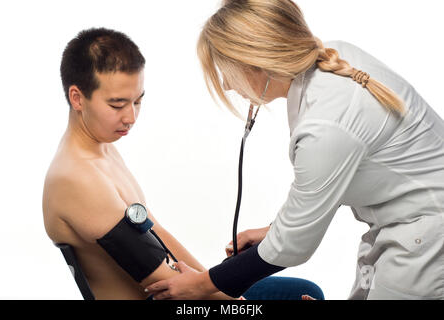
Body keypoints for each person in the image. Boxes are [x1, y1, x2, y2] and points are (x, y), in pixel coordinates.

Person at [145, 0, 444, 300]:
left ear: (255, 63)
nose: (226, 86)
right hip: (408, 226)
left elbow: (292, 246)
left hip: (425, 238)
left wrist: (202, 285)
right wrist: (274, 230)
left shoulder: (324, 126)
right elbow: (346, 173)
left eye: (227, 72)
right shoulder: (335, 57)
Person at [42, 27, 323, 300]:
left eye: (137, 102)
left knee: (305, 293)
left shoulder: (102, 149)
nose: (130, 117)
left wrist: (213, 282)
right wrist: (236, 305)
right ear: (77, 98)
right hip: (163, 294)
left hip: (177, 291)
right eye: (117, 105)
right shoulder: (76, 179)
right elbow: (158, 275)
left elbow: (157, 233)